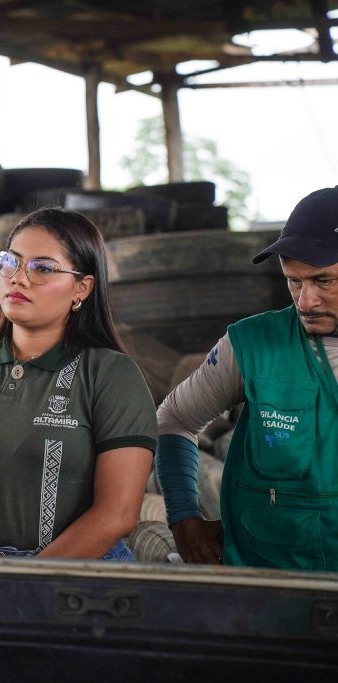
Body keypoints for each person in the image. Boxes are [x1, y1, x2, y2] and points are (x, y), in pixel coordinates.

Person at [0, 208, 156, 559]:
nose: (18, 278)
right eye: (10, 262)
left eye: (42, 268)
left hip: (80, 575)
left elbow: (116, 514)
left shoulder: (112, 375)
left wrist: (28, 580)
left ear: (81, 288)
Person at [156, 186, 338, 570]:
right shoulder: (251, 345)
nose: (305, 301)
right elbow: (174, 419)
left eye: (323, 281)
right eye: (294, 281)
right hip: (264, 579)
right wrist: (184, 521)